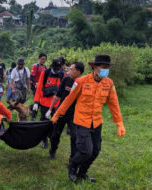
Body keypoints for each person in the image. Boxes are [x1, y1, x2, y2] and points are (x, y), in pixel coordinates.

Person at [52, 55, 126, 183]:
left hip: (96, 122)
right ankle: (72, 167)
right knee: (86, 151)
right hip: (82, 121)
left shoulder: (109, 83)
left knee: (95, 151)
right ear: (95, 67)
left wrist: (119, 123)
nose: (106, 70)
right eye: (103, 67)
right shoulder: (81, 82)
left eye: (107, 67)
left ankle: (82, 173)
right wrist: (57, 114)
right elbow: (68, 100)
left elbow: (114, 104)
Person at [47, 62, 84, 160]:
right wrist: (50, 109)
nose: (69, 71)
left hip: (74, 114)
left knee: (75, 137)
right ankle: (53, 150)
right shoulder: (66, 80)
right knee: (55, 134)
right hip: (61, 111)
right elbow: (57, 95)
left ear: (78, 72)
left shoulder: (82, 83)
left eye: (71, 69)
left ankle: (72, 158)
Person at [33, 58, 64, 149]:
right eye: (55, 69)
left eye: (58, 69)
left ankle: (53, 139)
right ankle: (44, 140)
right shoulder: (45, 73)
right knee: (44, 122)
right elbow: (39, 88)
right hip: (45, 103)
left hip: (56, 104)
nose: (56, 70)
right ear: (52, 66)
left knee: (56, 123)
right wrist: (36, 102)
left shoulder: (61, 74)